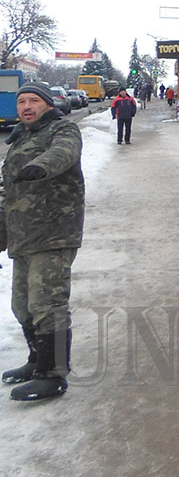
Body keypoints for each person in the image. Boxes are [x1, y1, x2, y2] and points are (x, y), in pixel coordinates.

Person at [0, 82, 85, 401]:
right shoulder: (19, 139)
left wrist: (41, 166)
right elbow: (8, 193)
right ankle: (37, 361)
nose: (26, 106)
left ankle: (52, 375)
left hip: (53, 231)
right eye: (21, 101)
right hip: (22, 235)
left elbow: (64, 153)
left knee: (47, 304)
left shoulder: (62, 130)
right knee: (21, 305)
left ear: (48, 105)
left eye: (34, 100)